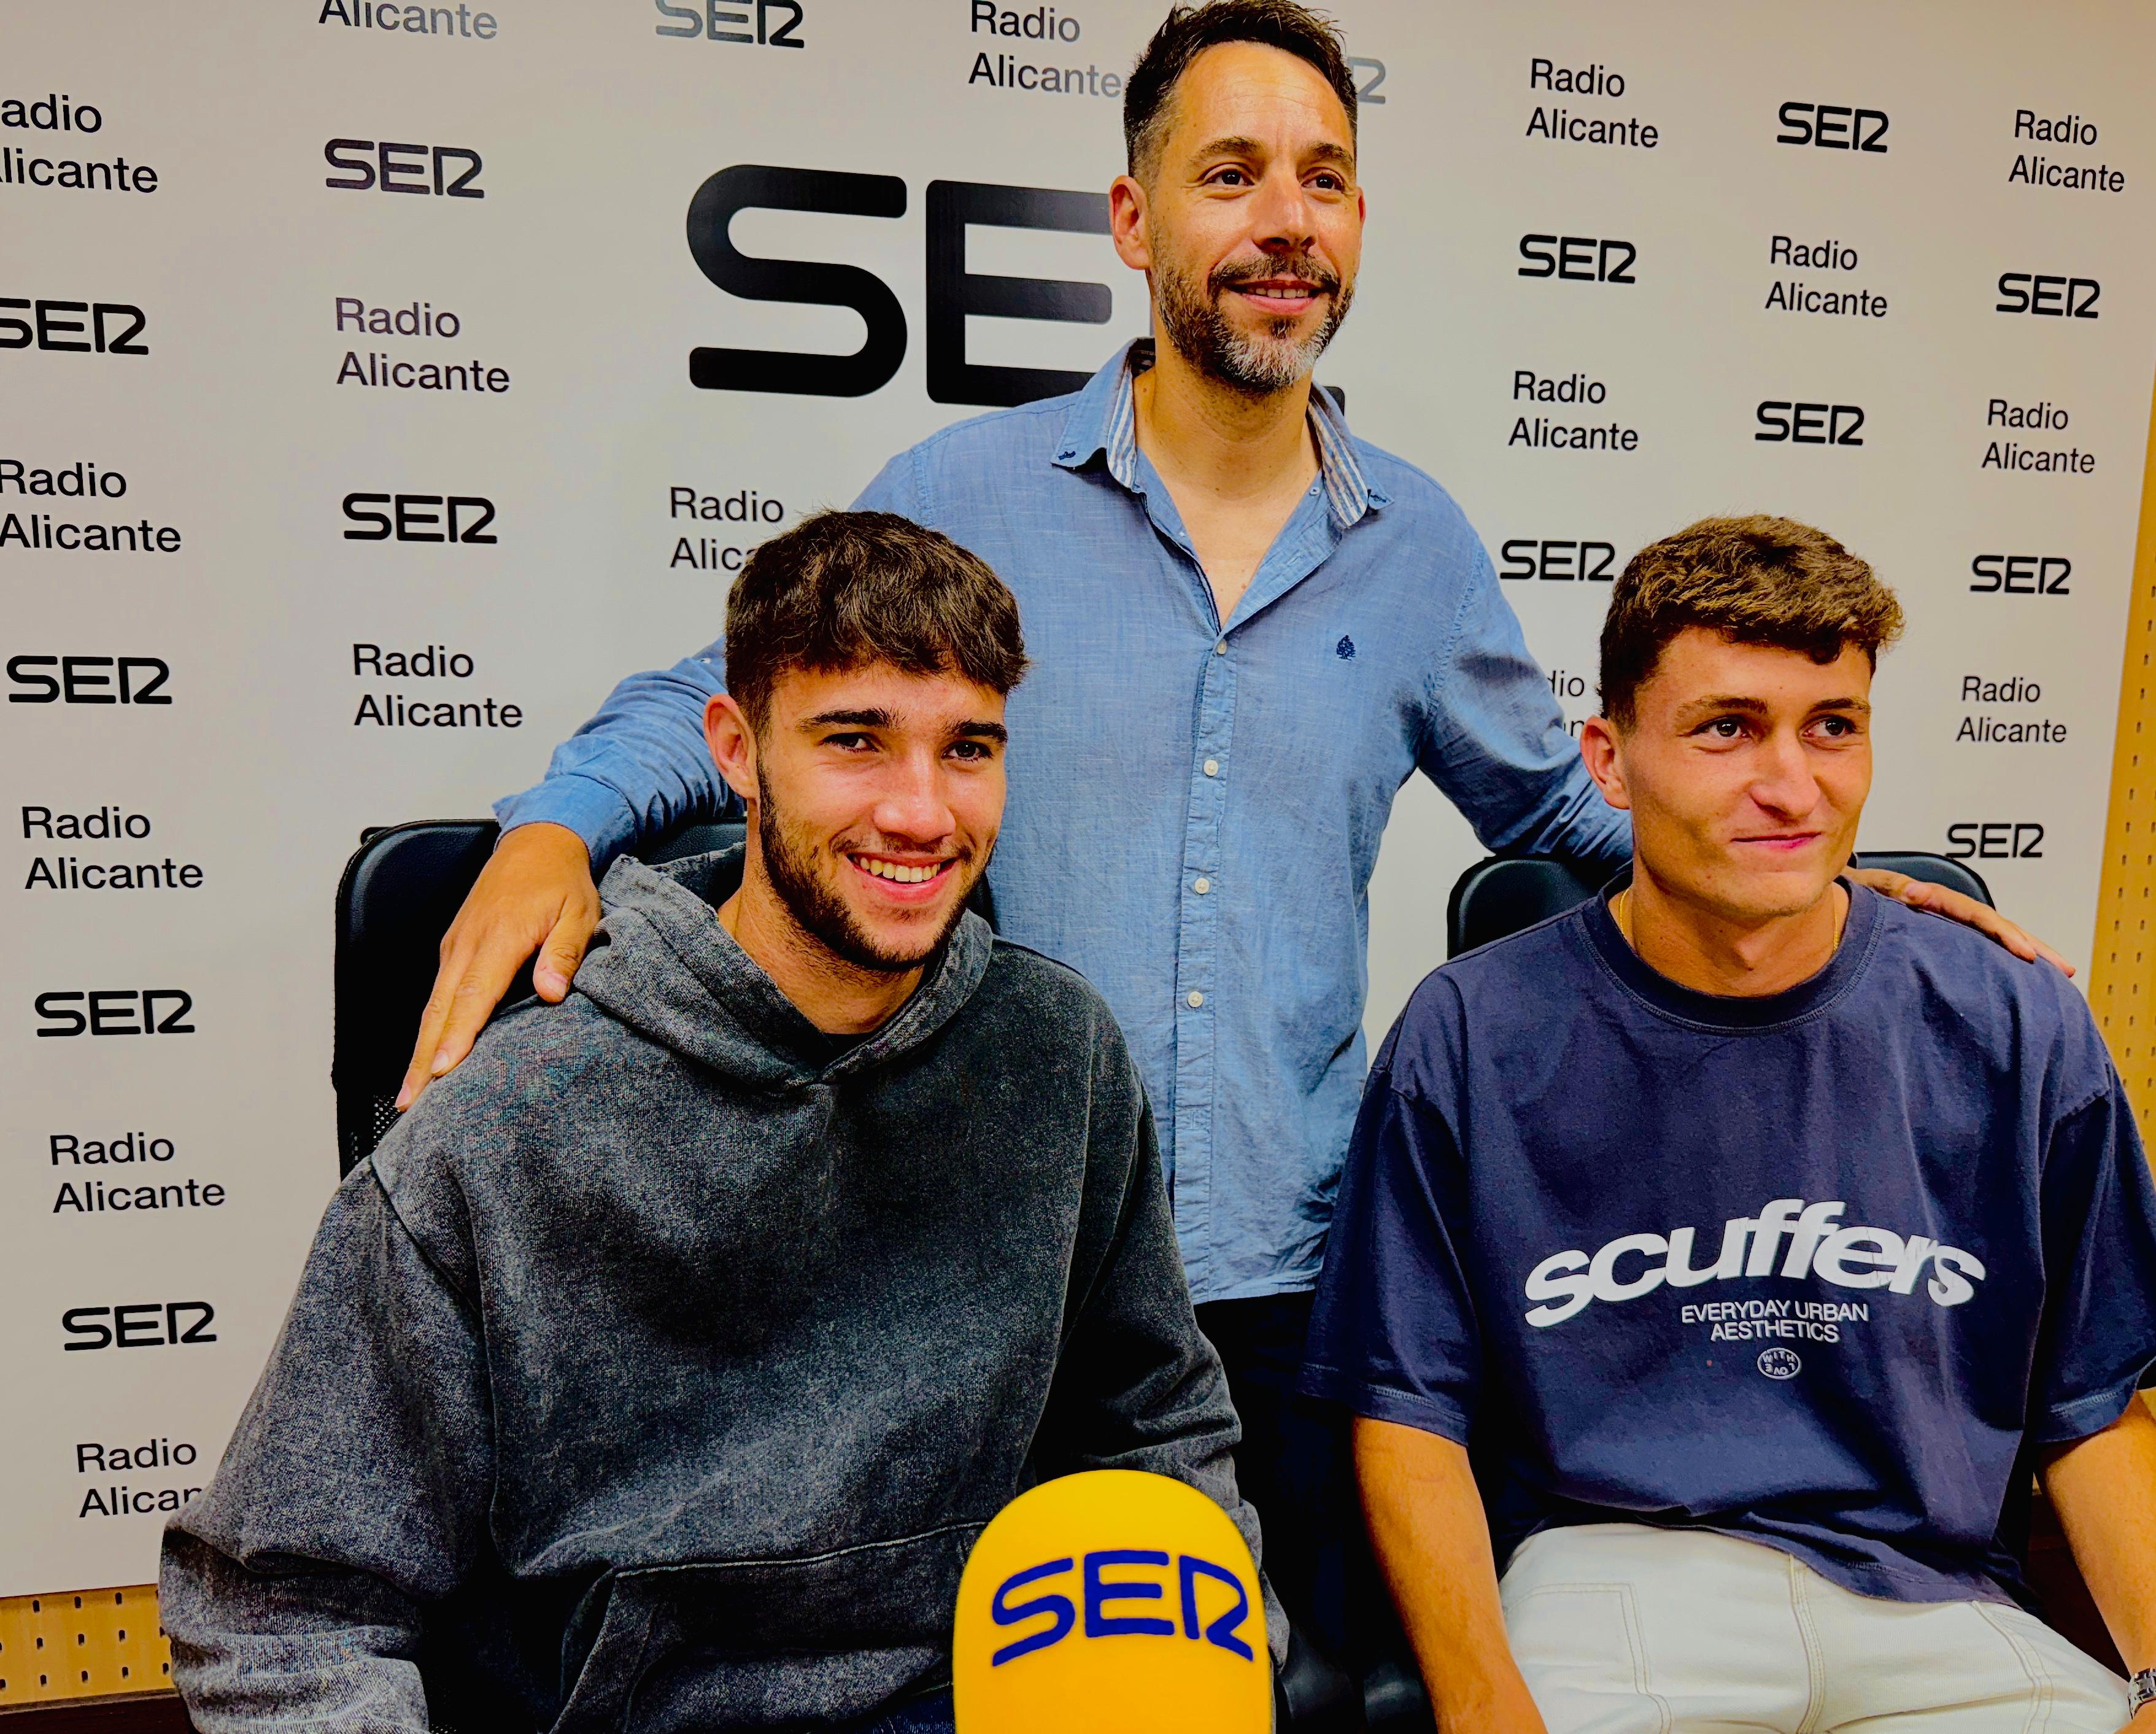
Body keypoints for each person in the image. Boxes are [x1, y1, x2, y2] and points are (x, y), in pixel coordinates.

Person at [387, 0, 2052, 1659]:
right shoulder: (969, 493)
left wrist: (1853, 894)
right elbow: (728, 700)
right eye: (1232, 173)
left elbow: (1570, 812)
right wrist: (556, 827)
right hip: (989, 1259)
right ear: (1134, 219)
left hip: (1291, 1294)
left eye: (1323, 180)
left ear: (1356, 228)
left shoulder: (1418, 549)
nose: (1283, 222)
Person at [160, 512, 1279, 1734]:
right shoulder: (504, 1126)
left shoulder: (1057, 1057)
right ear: (735, 751)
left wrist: (1222, 1676)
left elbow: (1159, 1430)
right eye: (855, 741)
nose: (920, 812)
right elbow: (284, 1616)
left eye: (966, 749)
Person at [1300, 515, 2156, 1732]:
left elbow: (2095, 1406)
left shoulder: (2014, 1024)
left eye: (1831, 728)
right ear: (1606, 758)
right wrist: (1483, 1705)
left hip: (1938, 1603)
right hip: (1613, 1578)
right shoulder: (1471, 1034)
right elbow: (1406, 1415)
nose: (1790, 786)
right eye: (1725, 729)